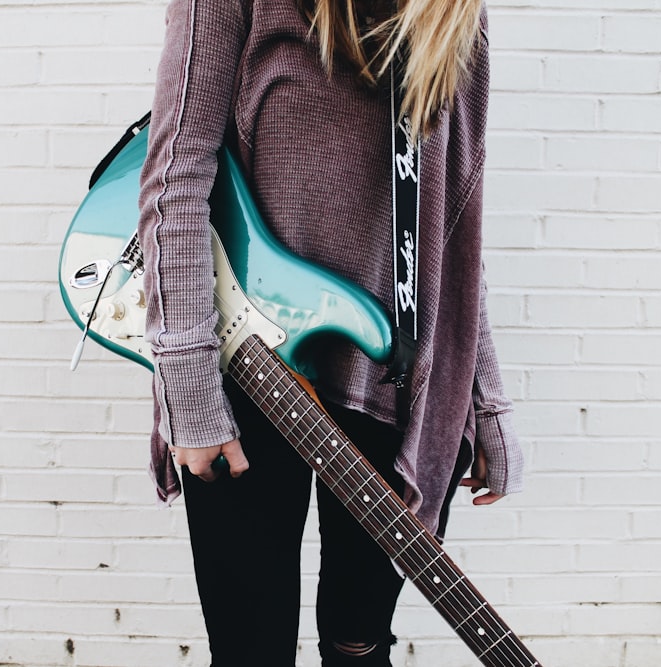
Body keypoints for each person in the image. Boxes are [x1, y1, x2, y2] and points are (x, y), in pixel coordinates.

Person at [136, 0, 524, 665]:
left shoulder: (455, 16)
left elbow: (452, 229)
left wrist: (482, 397)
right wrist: (191, 393)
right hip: (250, 378)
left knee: (359, 644)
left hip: (398, 390)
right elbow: (175, 178)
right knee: (250, 650)